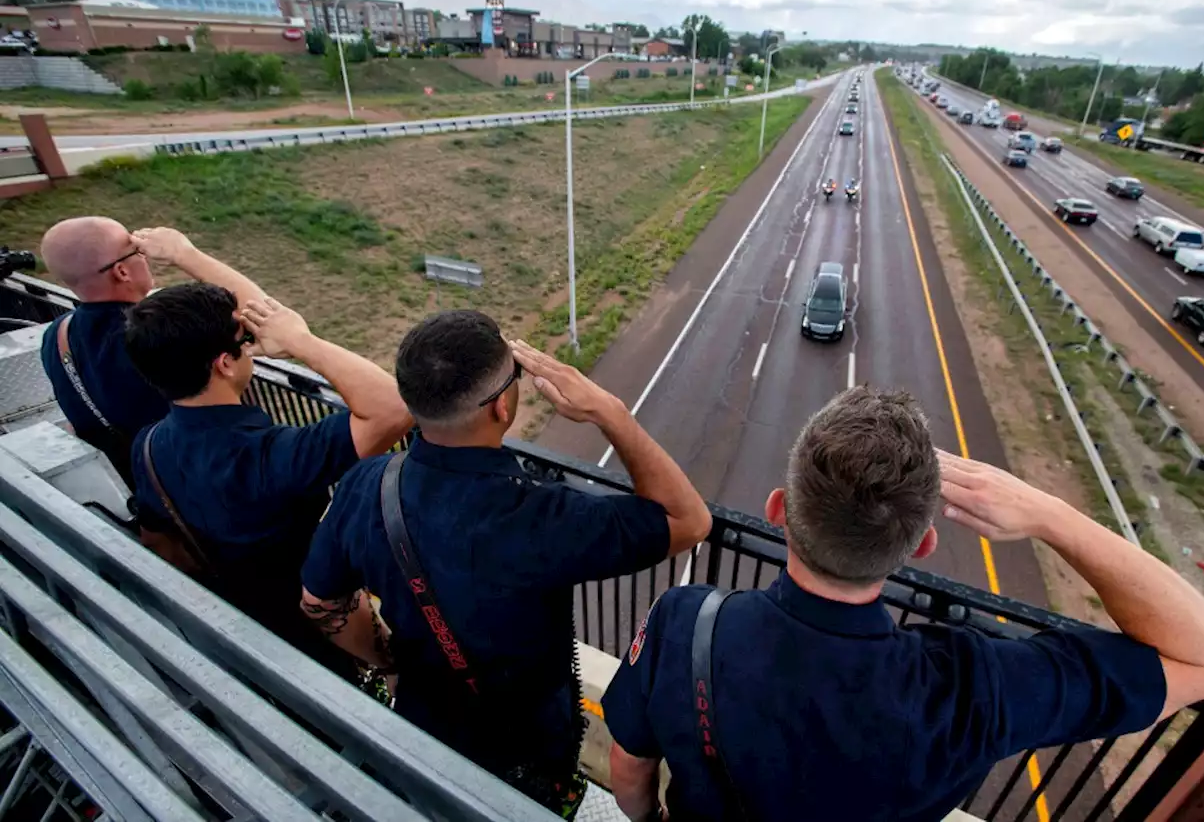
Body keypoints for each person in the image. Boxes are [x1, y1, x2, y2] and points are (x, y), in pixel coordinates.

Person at [602, 386, 1204, 822]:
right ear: (923, 544)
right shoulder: (975, 689)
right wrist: (1052, 516)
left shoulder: (682, 624)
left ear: (778, 512)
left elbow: (629, 769)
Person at [299, 311, 712, 818]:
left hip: (421, 730)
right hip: (530, 749)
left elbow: (319, 601)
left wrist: (386, 662)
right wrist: (610, 413)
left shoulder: (368, 485)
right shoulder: (543, 516)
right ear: (500, 408)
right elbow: (690, 520)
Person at [123, 285, 411, 675]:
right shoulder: (274, 457)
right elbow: (394, 407)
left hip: (241, 625)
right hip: (317, 641)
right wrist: (301, 342)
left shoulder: (149, 445)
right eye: (247, 340)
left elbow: (159, 541)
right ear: (225, 363)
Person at [38, 220, 264, 489]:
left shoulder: (56, 335)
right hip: (214, 481)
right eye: (137, 251)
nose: (145, 256)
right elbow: (265, 314)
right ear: (122, 271)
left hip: (144, 484)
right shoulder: (163, 336)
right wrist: (184, 254)